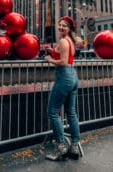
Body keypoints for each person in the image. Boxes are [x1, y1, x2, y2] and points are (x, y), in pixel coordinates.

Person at [44, 16, 81, 161]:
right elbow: (65, 56)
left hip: (64, 76)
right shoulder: (70, 41)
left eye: (64, 26)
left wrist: (49, 59)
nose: (61, 27)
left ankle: (61, 147)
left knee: (53, 111)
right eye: (59, 25)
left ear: (70, 28)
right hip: (73, 76)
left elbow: (63, 62)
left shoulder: (63, 41)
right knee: (71, 112)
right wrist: (51, 51)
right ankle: (74, 147)